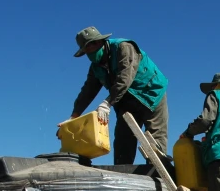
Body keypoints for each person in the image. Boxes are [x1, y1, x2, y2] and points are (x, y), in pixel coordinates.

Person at [60, 26, 169, 164]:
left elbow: (125, 78)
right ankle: (123, 175)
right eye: (86, 51)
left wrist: (107, 103)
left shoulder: (124, 47)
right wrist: (73, 116)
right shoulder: (96, 67)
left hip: (151, 93)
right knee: (123, 139)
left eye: (91, 47)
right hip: (125, 99)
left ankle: (158, 176)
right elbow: (88, 91)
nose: (90, 53)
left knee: (155, 140)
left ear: (99, 42)